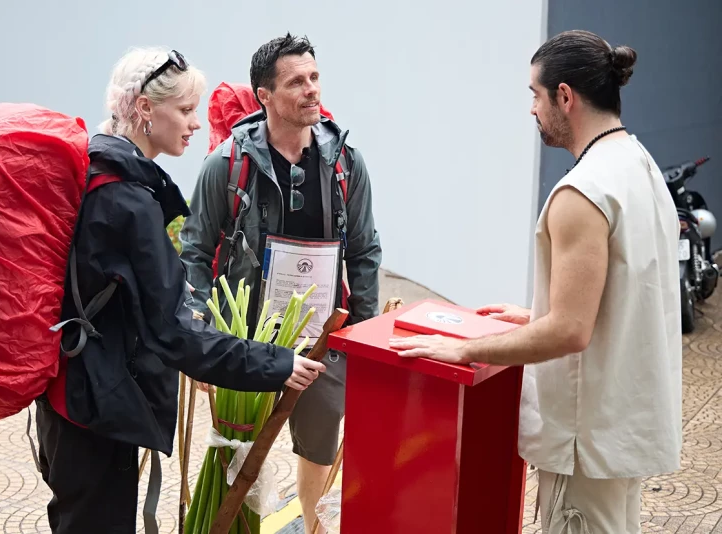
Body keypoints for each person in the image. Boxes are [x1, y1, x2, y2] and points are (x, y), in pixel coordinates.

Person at [390, 30, 681, 533]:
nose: (531, 108)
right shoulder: (639, 164)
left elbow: (571, 331)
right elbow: (621, 300)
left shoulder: (582, 192)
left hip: (584, 441)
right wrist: (533, 317)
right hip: (622, 427)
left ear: (564, 97)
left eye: (535, 94)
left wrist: (466, 351)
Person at [35, 47, 326, 534]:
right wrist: (279, 363)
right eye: (186, 110)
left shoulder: (97, 167)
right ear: (145, 109)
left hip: (71, 398)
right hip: (97, 413)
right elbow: (175, 333)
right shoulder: (126, 200)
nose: (196, 123)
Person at [180, 33, 382, 533]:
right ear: (264, 96)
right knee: (242, 446)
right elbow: (195, 251)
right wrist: (202, 335)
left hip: (322, 339)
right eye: (296, 82)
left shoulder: (346, 164)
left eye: (314, 77)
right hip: (248, 340)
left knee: (319, 446)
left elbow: (364, 251)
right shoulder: (226, 166)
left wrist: (363, 337)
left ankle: (312, 526)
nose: (311, 89)